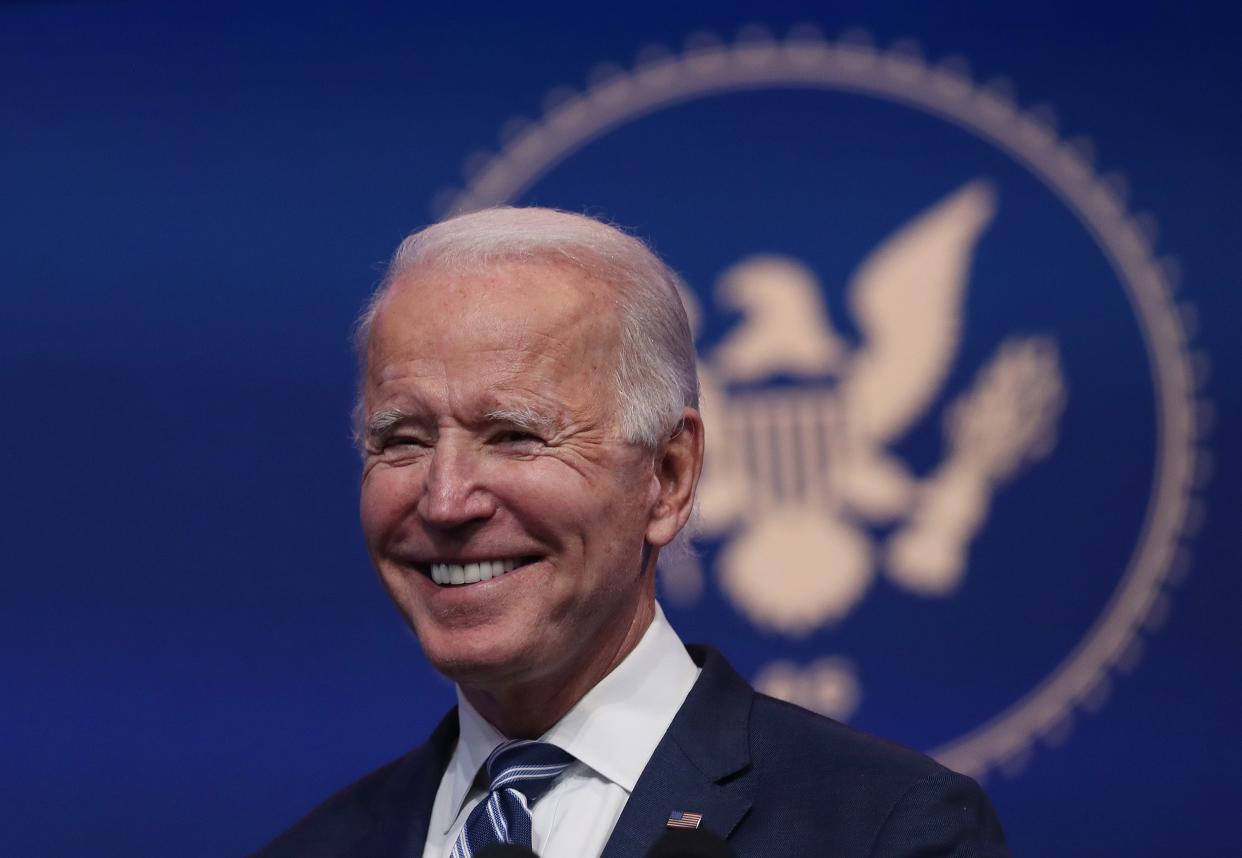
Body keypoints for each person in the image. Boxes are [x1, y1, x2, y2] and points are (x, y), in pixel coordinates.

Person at [254, 208, 1010, 858]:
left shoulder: (883, 831)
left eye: (515, 435)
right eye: (403, 441)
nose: (447, 501)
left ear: (670, 476)